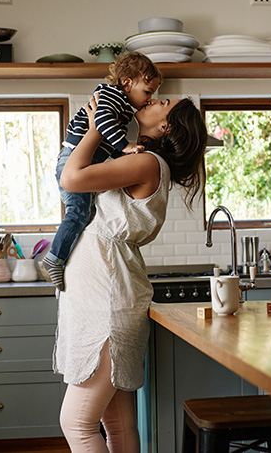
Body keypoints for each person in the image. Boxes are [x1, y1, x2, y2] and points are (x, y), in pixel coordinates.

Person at [53, 93, 207, 452]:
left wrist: (93, 130)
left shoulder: (149, 163)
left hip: (106, 302)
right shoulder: (139, 157)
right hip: (107, 294)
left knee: (76, 423)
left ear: (166, 126)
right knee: (117, 425)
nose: (153, 98)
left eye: (163, 101)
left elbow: (71, 178)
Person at [41, 51, 164, 292]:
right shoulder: (112, 95)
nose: (150, 98)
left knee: (84, 213)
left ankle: (60, 256)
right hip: (71, 157)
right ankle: (54, 259)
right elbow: (103, 122)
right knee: (77, 213)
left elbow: (105, 140)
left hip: (84, 158)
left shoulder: (124, 104)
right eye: (148, 92)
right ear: (127, 83)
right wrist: (125, 146)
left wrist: (122, 154)